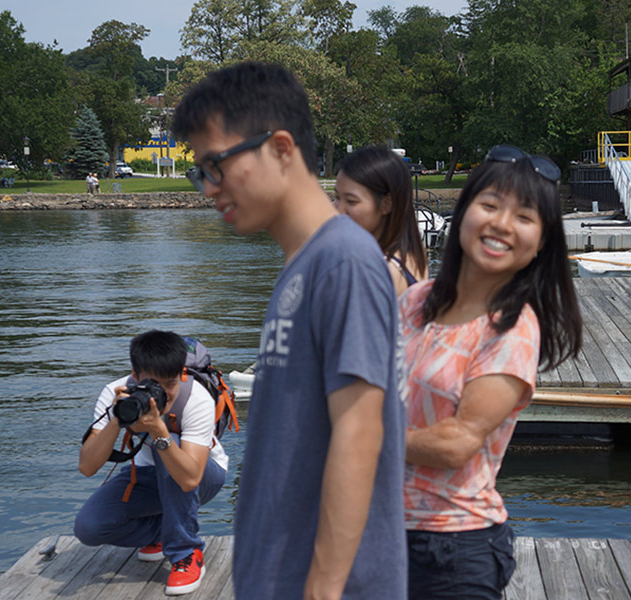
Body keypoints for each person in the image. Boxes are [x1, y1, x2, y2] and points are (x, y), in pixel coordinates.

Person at [172, 62, 407, 600]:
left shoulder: (344, 260)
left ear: (280, 147)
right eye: (199, 172)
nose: (208, 189)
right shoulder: (300, 267)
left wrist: (323, 588)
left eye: (216, 166)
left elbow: (360, 432)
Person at [400, 144, 583, 599]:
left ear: (542, 242)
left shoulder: (513, 331)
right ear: (462, 213)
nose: (501, 224)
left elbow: (458, 442)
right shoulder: (415, 301)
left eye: (524, 216)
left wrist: (356, 439)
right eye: (489, 205)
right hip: (374, 527)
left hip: (450, 547)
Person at [73, 330, 228, 596]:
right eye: (152, 384)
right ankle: (159, 534)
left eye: (170, 384)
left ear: (181, 373)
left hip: (202, 475)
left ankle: (185, 552)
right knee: (89, 528)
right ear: (135, 375)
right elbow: (88, 467)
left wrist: (159, 430)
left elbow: (190, 478)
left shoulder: (195, 398)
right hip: (148, 477)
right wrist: (117, 419)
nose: (162, 395)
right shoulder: (115, 393)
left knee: (171, 443)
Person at [334, 146, 429, 295]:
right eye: (337, 198)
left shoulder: (377, 272)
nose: (338, 210)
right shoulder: (412, 257)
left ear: (386, 204)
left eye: (351, 201)